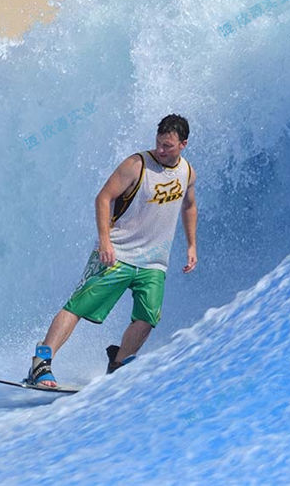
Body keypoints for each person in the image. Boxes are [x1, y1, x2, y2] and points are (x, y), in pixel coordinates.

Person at [27, 114, 198, 386]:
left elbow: (189, 206)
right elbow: (104, 197)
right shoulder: (137, 164)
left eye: (168, 146)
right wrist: (105, 241)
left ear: (184, 144)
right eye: (159, 143)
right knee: (78, 305)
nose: (161, 150)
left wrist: (191, 245)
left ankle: (118, 364)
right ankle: (41, 362)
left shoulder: (187, 172)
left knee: (148, 317)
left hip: (154, 262)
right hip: (117, 253)